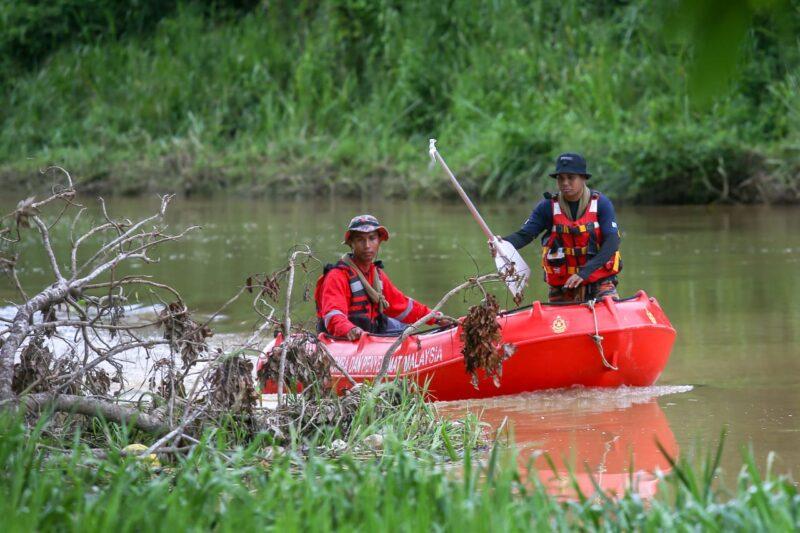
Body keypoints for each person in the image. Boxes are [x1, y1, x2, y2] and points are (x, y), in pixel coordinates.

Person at [494, 153, 622, 303]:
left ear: (583, 178)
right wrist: (501, 244)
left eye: (570, 177)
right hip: (563, 284)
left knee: (610, 306)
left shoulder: (602, 204)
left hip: (599, 280)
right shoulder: (547, 207)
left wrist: (584, 273)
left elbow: (612, 242)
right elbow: (525, 235)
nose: (565, 183)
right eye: (561, 178)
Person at [315, 214, 454, 340]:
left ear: (379, 241)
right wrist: (349, 329)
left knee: (403, 329)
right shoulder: (337, 275)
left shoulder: (377, 275)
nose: (367, 245)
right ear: (351, 243)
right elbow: (333, 315)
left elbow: (402, 306)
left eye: (372, 238)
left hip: (371, 332)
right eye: (360, 240)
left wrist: (434, 317)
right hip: (345, 339)